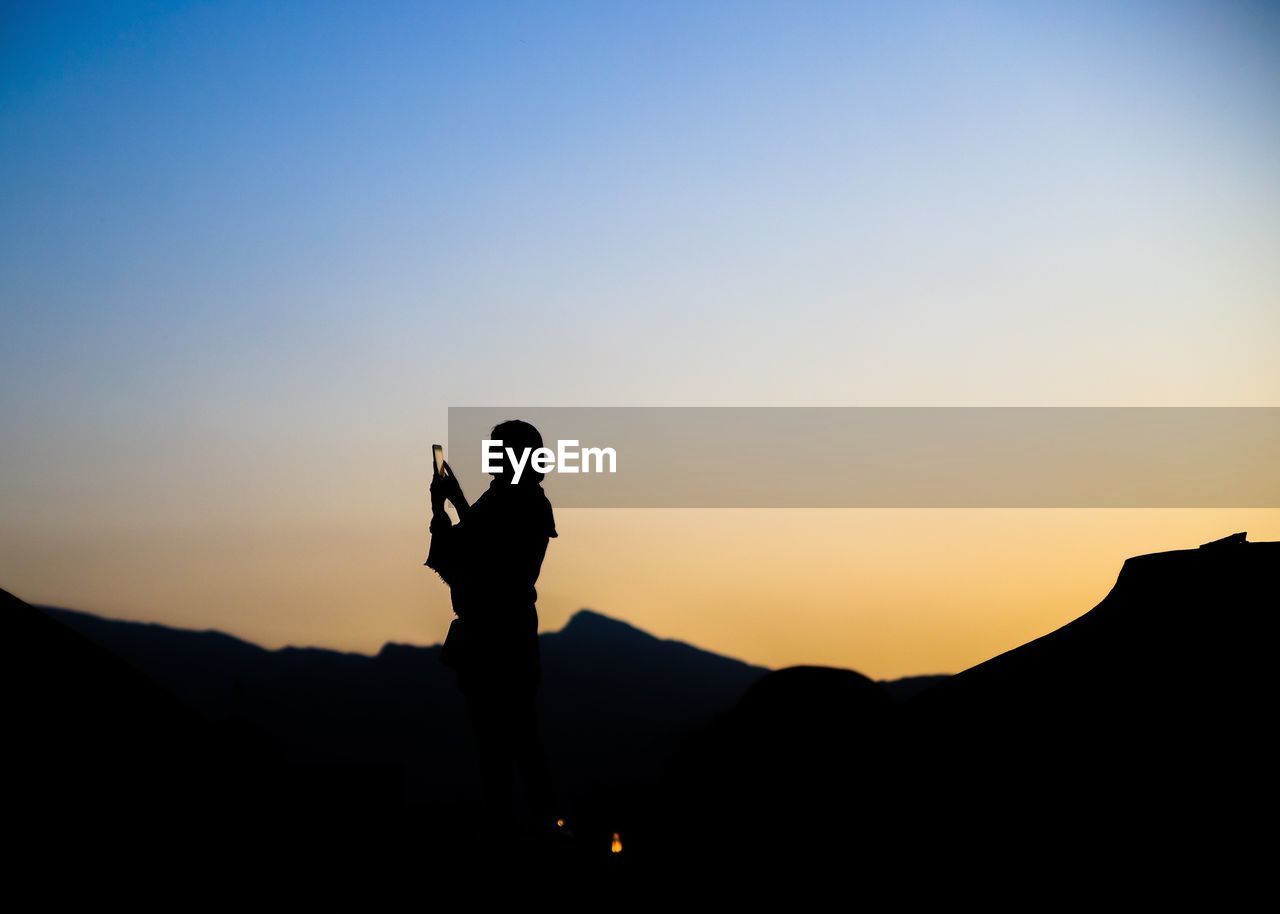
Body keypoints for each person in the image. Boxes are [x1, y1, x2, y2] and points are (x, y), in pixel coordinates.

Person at [424, 419, 559, 837]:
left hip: (504, 637)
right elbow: (462, 559)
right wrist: (444, 509)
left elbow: (486, 560)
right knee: (501, 744)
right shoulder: (501, 500)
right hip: (493, 636)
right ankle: (531, 826)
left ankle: (542, 828)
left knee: (512, 741)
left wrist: (450, 507)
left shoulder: (528, 505)